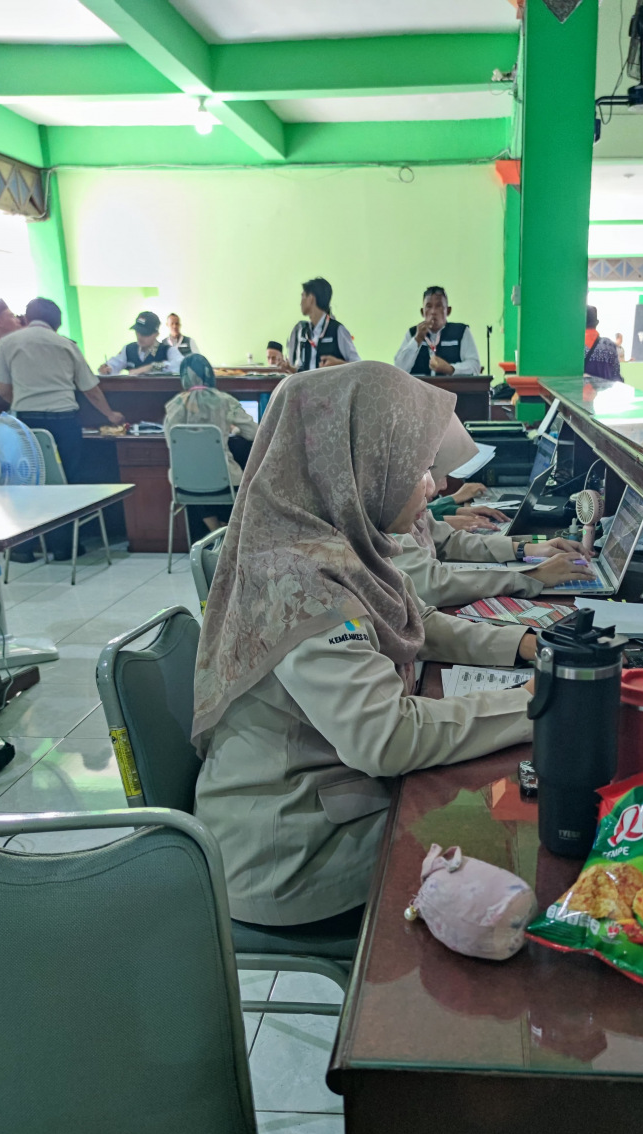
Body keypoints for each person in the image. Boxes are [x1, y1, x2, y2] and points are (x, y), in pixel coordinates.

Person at [192, 362, 535, 929]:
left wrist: (520, 644)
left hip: (329, 799)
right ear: (361, 464)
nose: (432, 486)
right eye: (417, 468)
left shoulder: (342, 543)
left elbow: (419, 621)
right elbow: (386, 738)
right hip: (293, 851)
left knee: (491, 815)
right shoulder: (301, 582)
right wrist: (534, 706)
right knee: (502, 843)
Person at [392, 417, 591, 606]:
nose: (440, 486)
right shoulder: (393, 519)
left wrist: (527, 549)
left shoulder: (412, 509)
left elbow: (448, 541)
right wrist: (531, 576)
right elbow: (433, 585)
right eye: (427, 471)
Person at [0, 296, 125, 558]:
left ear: (28, 318)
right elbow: (90, 389)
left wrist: (24, 401)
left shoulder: (8, 343)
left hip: (26, 425)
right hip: (64, 422)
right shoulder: (67, 345)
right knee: (65, 484)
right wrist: (110, 414)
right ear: (57, 323)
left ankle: (23, 549)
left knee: (23, 486)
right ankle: (64, 548)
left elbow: (3, 388)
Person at [163, 354, 258, 533]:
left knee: (197, 473)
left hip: (184, 485)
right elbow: (254, 433)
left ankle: (215, 532)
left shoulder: (173, 405)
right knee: (228, 474)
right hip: (224, 482)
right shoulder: (225, 401)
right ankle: (224, 533)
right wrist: (234, 429)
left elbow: (171, 444)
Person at [394, 286, 481, 377]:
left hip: (451, 386)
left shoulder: (461, 332)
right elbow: (398, 368)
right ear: (422, 312)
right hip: (418, 386)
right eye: (429, 306)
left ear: (448, 310)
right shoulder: (413, 333)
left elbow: (475, 365)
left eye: (439, 306)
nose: (433, 312)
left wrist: (450, 368)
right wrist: (417, 340)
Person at [285, 277, 360, 372]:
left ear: (311, 298)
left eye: (303, 296)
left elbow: (359, 367)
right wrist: (289, 368)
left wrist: (338, 364)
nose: (300, 303)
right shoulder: (303, 332)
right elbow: (305, 371)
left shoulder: (337, 330)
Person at [99, 311, 183, 375]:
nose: (140, 337)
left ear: (156, 334)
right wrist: (108, 369)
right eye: (138, 332)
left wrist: (152, 367)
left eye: (145, 334)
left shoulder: (167, 350)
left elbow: (181, 365)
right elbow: (114, 364)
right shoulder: (128, 349)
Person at [584, 306, 623, 382]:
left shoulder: (574, 347)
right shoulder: (609, 345)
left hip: (580, 389)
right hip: (605, 389)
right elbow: (616, 376)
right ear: (596, 323)